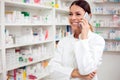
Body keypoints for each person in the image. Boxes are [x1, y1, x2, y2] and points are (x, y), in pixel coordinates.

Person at [47, 0, 105, 80]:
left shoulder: (97, 40)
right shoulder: (64, 41)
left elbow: (86, 70)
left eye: (78, 14)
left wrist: (84, 38)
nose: (73, 18)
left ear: (88, 16)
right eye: (70, 14)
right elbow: (51, 70)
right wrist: (74, 73)